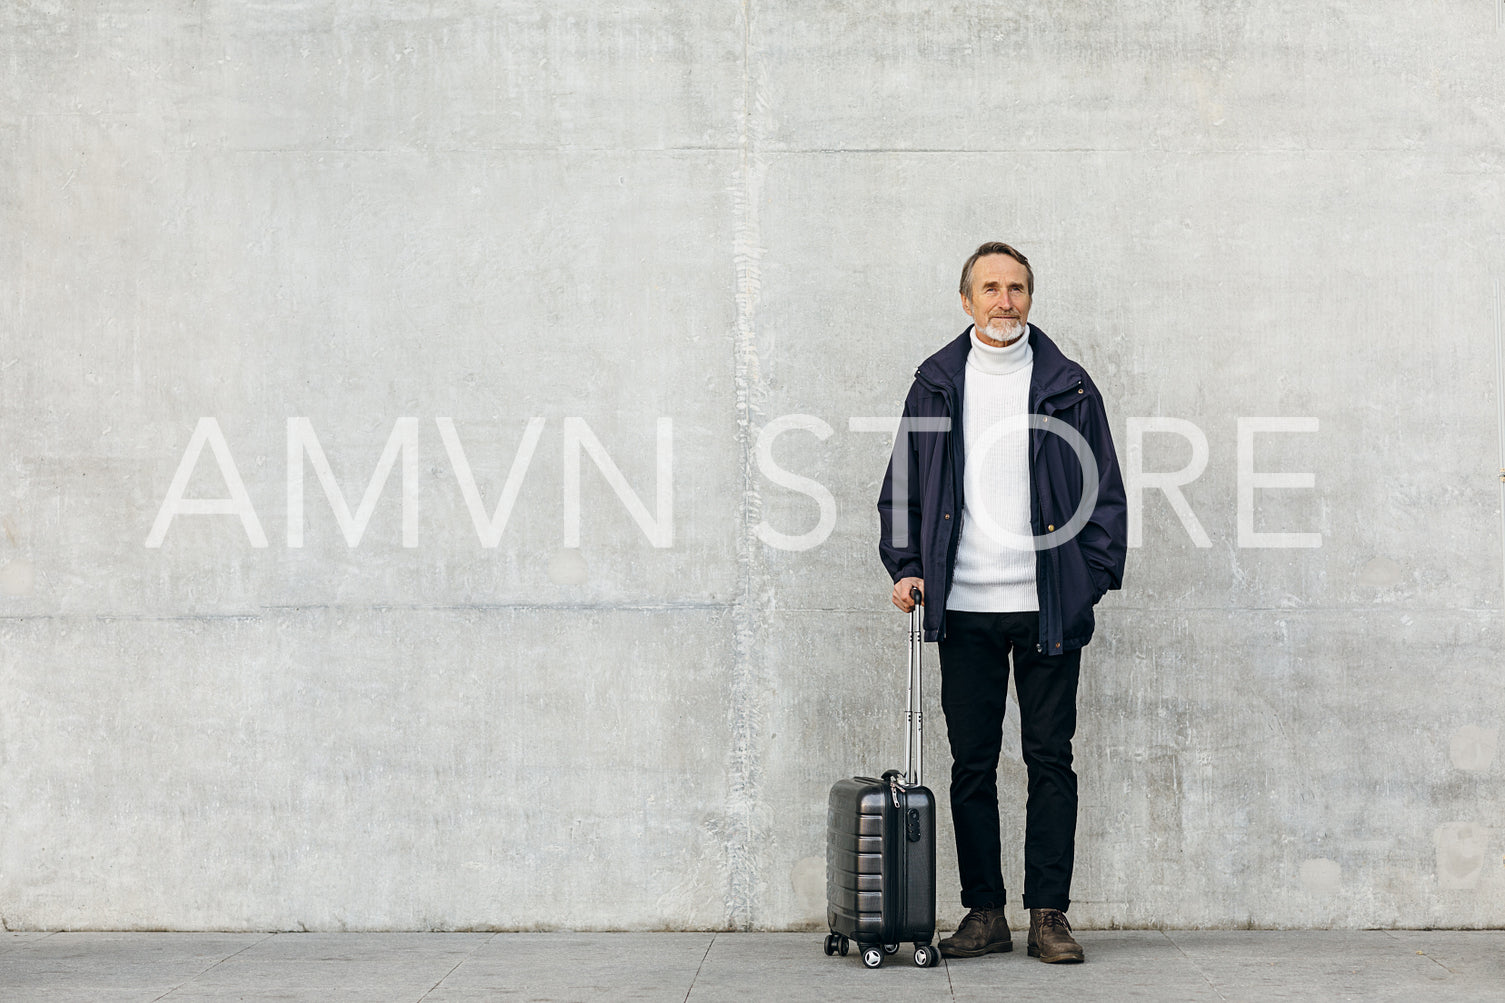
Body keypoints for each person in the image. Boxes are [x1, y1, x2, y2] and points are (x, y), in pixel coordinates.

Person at [877, 242, 1127, 964]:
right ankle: (983, 912)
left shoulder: (1068, 387)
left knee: (1050, 758)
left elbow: (1103, 494)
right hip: (964, 607)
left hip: (1046, 604)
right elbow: (903, 489)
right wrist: (905, 566)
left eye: (1016, 287)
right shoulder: (934, 385)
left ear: (1029, 297)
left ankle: (1047, 913)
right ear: (966, 300)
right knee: (971, 764)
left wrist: (1089, 578)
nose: (1004, 300)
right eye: (989, 287)